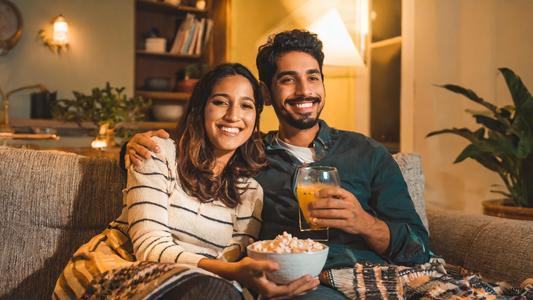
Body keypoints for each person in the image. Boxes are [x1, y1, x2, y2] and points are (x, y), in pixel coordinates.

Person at [126, 30, 431, 299]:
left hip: (380, 276)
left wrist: (364, 223)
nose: (304, 90)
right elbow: (195, 160)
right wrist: (131, 148)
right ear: (266, 94)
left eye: (313, 77)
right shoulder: (249, 156)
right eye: (288, 80)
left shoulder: (367, 152)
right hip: (309, 287)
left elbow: (419, 250)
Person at [53, 63, 319, 299]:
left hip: (196, 286)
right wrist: (232, 274)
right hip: (116, 269)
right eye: (220, 102)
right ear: (200, 108)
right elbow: (150, 248)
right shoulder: (157, 152)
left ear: (255, 119)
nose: (233, 116)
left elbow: (228, 266)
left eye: (246, 105)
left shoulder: (250, 193)